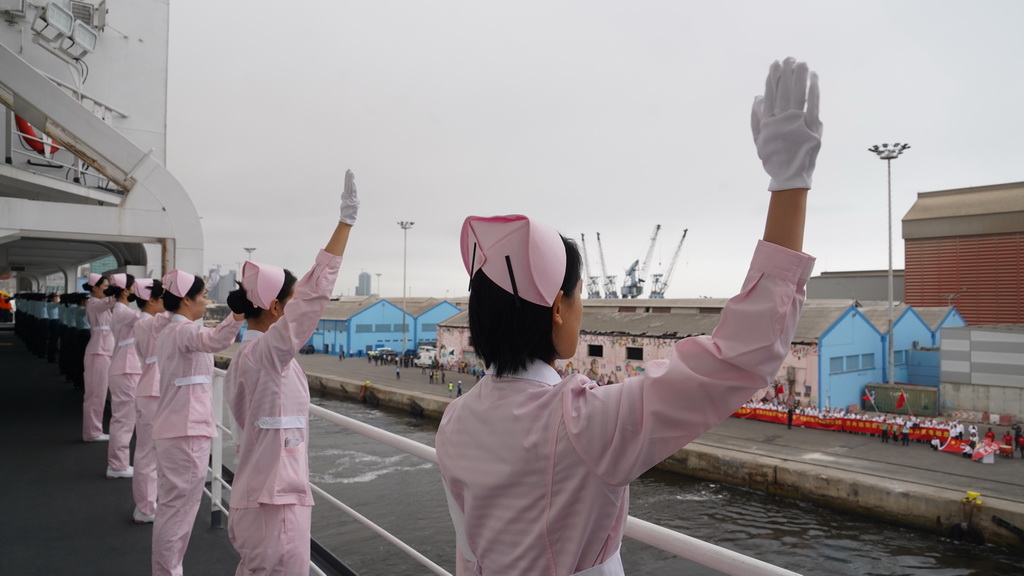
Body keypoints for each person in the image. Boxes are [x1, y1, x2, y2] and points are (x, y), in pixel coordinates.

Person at [435, 57, 820, 575]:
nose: (582, 306)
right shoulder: (581, 424)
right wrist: (789, 181)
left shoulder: (456, 421)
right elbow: (740, 357)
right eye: (578, 293)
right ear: (556, 309)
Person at [224, 170, 358, 575]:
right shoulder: (266, 355)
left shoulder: (248, 358)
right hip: (275, 505)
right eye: (292, 300)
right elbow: (313, 300)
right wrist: (345, 225)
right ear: (277, 310)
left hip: (266, 496)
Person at [151, 270, 244, 576]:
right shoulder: (183, 332)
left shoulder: (169, 330)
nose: (206, 300)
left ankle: (167, 568)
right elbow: (217, 339)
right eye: (203, 295)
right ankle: (168, 571)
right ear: (187, 300)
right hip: (186, 432)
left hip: (174, 428)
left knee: (172, 508)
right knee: (178, 511)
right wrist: (238, 313)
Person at [130, 278, 170, 524]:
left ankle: (146, 503)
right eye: (162, 297)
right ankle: (145, 507)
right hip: (154, 389)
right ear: (152, 300)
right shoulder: (152, 323)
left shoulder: (142, 322)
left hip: (149, 387)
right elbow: (175, 315)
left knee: (148, 452)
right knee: (148, 453)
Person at [106, 273, 143, 479]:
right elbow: (149, 314)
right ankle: (117, 465)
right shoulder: (124, 312)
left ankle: (118, 463)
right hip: (126, 368)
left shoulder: (120, 310)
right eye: (134, 286)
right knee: (124, 419)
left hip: (123, 366)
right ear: (127, 290)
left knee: (122, 418)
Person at [82, 273, 115, 443]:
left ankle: (94, 430)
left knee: (99, 393)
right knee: (95, 394)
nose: (108, 290)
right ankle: (92, 432)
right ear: (94, 288)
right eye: (105, 287)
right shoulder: (94, 304)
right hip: (98, 352)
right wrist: (119, 289)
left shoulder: (99, 305)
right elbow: (110, 301)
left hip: (104, 351)